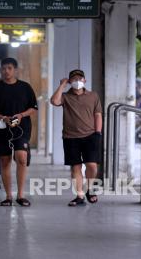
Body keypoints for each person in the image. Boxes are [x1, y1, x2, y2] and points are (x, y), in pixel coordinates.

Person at [0, 58, 38, 206]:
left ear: (15, 70)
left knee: (21, 157)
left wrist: (21, 115)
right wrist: (3, 117)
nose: (6, 71)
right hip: (2, 129)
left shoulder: (25, 87)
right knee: (5, 160)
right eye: (3, 68)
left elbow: (33, 108)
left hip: (22, 129)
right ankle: (8, 196)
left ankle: (20, 195)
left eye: (9, 68)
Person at [50, 69, 103, 206]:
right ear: (69, 81)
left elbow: (98, 114)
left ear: (84, 80)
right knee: (76, 167)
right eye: (73, 79)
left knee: (91, 165)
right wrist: (62, 85)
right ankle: (79, 195)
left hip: (91, 135)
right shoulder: (65, 96)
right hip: (70, 137)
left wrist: (98, 133)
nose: (77, 81)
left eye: (80, 79)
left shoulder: (93, 96)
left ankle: (90, 189)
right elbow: (54, 101)